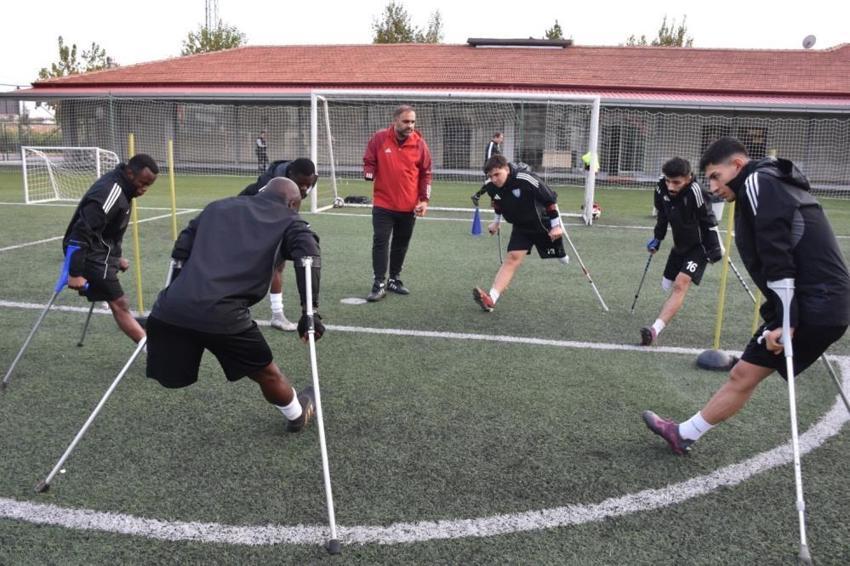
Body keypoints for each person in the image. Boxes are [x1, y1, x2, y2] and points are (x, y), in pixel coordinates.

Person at [644, 137, 850, 455]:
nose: (712, 187)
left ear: (737, 165)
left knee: (744, 373)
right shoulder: (770, 181)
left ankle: (683, 433)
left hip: (811, 302)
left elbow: (776, 253)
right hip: (820, 300)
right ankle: (683, 434)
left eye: (716, 176)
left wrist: (786, 320)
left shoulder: (757, 182)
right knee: (744, 372)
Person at [146, 178, 323, 433]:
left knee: (173, 370)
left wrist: (170, 293)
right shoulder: (290, 219)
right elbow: (308, 256)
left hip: (170, 309)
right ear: (293, 204)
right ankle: (297, 414)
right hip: (224, 316)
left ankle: (296, 412)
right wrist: (311, 312)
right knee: (267, 374)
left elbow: (181, 249)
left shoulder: (216, 207)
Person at [63, 154, 159, 346]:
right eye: (142, 183)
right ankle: (152, 352)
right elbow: (82, 232)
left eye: (148, 185)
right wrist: (74, 272)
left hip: (101, 250)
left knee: (119, 302)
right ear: (130, 173)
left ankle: (148, 340)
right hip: (89, 254)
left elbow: (110, 232)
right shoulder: (110, 192)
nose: (144, 190)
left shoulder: (125, 189)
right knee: (120, 304)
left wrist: (118, 257)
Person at [640, 157, 723, 346]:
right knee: (666, 284)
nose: (671, 186)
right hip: (680, 245)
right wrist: (658, 238)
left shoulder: (696, 192)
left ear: (688, 178)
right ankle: (669, 307)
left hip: (699, 246)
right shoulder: (660, 187)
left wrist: (714, 249)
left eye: (676, 182)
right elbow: (662, 215)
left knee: (680, 284)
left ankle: (654, 330)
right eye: (668, 180)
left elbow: (709, 220)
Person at [472, 155, 569, 312]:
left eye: (497, 174)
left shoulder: (525, 178)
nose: (494, 179)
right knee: (512, 259)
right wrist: (496, 222)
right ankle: (491, 299)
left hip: (541, 222)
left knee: (562, 258)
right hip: (521, 226)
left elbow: (550, 199)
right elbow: (497, 203)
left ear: (506, 169)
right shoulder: (490, 186)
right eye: (490, 176)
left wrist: (556, 226)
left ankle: (560, 252)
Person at [362, 105, 432, 302]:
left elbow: (426, 174)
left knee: (401, 244)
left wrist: (424, 200)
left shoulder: (420, 144)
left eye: (413, 122)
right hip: (383, 204)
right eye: (406, 121)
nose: (410, 125)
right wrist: (369, 171)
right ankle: (379, 283)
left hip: (408, 206)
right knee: (381, 241)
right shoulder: (380, 138)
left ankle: (394, 279)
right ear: (395, 121)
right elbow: (369, 159)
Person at [240, 159, 319, 331]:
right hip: (249, 215)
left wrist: (293, 223)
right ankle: (240, 308)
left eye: (308, 183)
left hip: (276, 213)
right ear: (291, 176)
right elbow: (258, 209)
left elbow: (294, 202)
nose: (305, 188)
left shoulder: (308, 179)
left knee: (279, 264)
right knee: (264, 265)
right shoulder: (269, 185)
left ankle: (277, 315)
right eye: (301, 184)